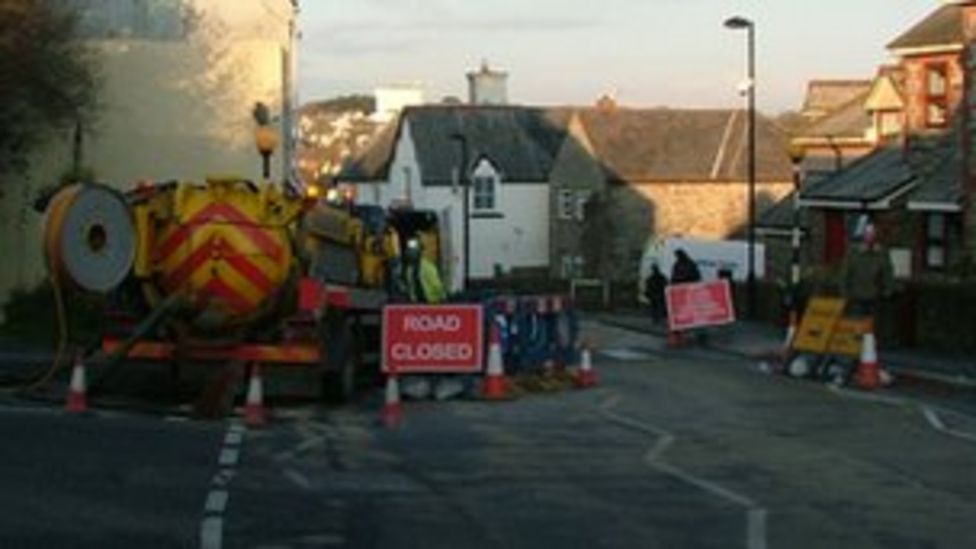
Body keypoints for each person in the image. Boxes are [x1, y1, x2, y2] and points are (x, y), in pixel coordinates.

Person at [841, 223, 894, 319]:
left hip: (875, 298)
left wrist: (888, 291)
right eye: (868, 234)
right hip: (857, 297)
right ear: (864, 236)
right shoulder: (853, 254)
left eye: (872, 234)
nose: (870, 237)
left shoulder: (881, 254)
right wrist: (845, 293)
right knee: (858, 325)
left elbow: (887, 273)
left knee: (872, 326)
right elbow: (846, 273)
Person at [402, 238, 447, 304]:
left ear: (418, 252)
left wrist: (443, 299)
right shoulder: (409, 269)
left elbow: (437, 286)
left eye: (412, 251)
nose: (409, 253)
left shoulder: (428, 267)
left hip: (432, 302)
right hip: (416, 303)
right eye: (409, 251)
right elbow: (411, 287)